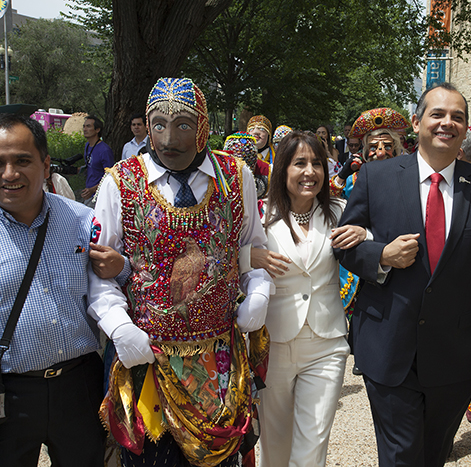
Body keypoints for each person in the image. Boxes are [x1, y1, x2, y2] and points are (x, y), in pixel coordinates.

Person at [88, 77, 273, 467]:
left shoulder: (235, 177)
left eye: (183, 125)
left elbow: (252, 250)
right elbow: (101, 271)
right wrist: (119, 327)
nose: (168, 138)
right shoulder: (122, 182)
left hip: (220, 363)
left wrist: (258, 290)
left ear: (203, 126)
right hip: (149, 361)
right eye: (158, 124)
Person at [335, 83, 471, 467]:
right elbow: (344, 246)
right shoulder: (374, 178)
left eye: (457, 117)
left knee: (434, 454)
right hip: (387, 347)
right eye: (437, 114)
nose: (447, 123)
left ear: (466, 129)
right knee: (401, 456)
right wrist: (381, 254)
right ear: (417, 123)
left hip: (455, 353)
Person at [250, 131, 365, 466]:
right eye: (300, 163)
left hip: (326, 344)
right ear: (282, 168)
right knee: (275, 443)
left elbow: (373, 244)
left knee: (312, 445)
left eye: (317, 163)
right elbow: (228, 254)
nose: (310, 171)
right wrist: (251, 257)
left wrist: (364, 233)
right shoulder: (259, 214)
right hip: (274, 343)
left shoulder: (340, 211)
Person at [0, 114, 106, 466]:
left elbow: (115, 291)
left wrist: (120, 270)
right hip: (8, 395)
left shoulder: (83, 221)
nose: (9, 174)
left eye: (22, 161)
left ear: (46, 166)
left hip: (79, 389)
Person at [81, 115, 114, 205]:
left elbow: (110, 176)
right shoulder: (87, 146)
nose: (85, 129)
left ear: (97, 130)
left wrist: (93, 189)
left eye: (88, 126)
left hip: (99, 196)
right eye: (84, 126)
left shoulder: (104, 150)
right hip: (88, 193)